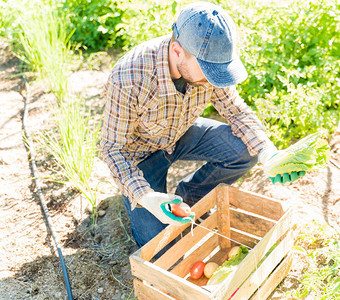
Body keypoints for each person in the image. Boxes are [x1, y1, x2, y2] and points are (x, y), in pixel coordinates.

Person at [99, 1, 303, 249]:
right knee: (159, 244)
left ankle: (190, 197)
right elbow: (112, 149)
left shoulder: (206, 68)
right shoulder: (129, 77)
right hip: (141, 154)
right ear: (177, 51)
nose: (213, 79)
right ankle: (153, 198)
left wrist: (267, 152)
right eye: (207, 70)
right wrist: (147, 197)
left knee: (245, 151)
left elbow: (236, 110)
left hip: (182, 133)